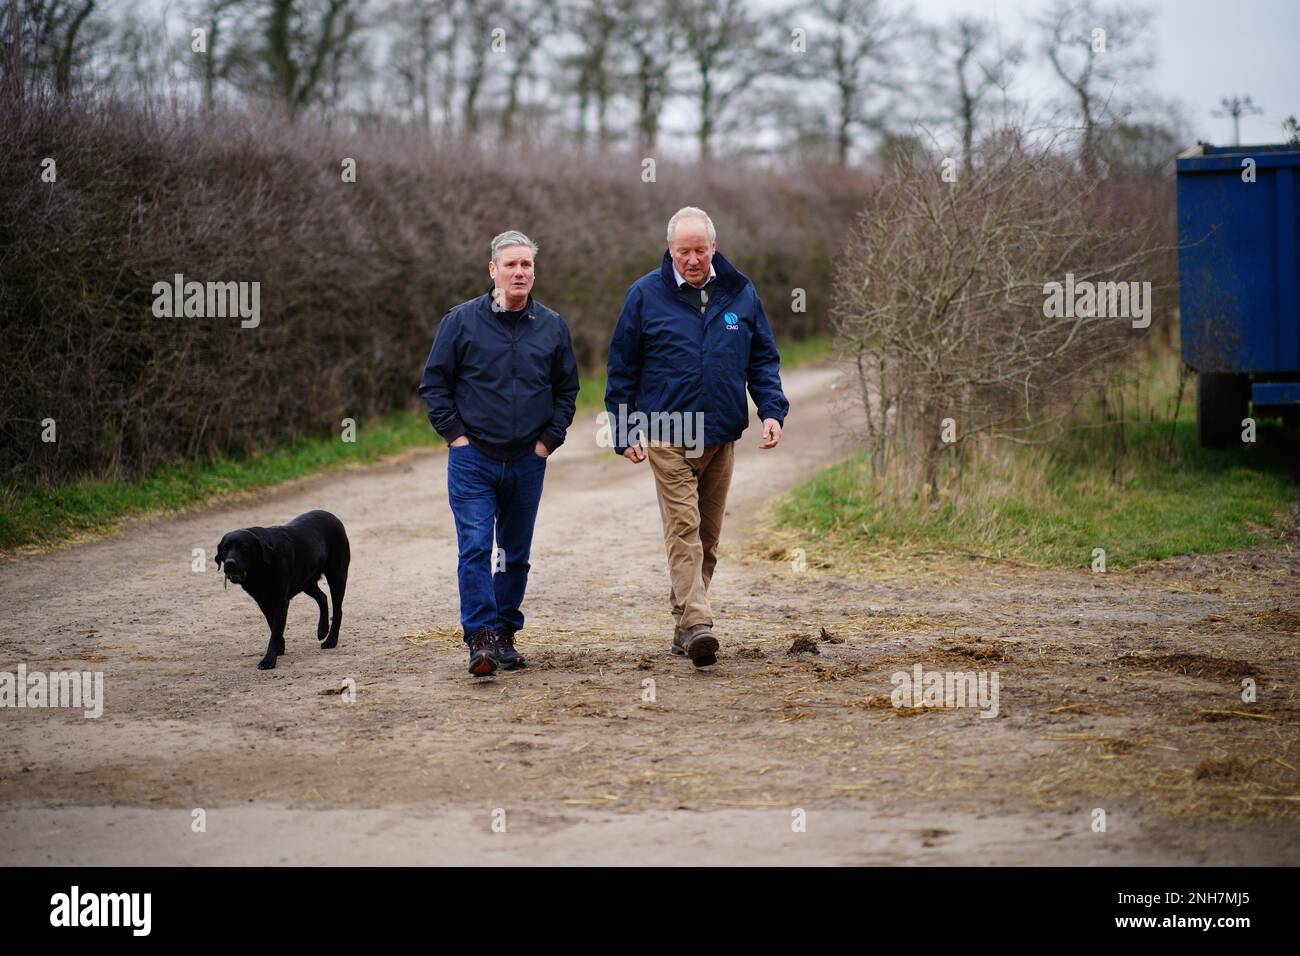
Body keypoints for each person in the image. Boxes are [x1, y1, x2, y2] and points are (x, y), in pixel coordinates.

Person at [605, 207, 789, 667]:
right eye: (683, 251)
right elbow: (622, 369)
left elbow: (761, 359)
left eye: (700, 250)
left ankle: (684, 626)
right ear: (670, 251)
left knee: (707, 537)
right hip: (669, 433)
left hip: (721, 433)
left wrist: (771, 410)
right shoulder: (645, 295)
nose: (693, 259)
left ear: (714, 248)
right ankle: (700, 622)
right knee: (683, 530)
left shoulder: (740, 292)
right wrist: (625, 428)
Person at [419, 230, 579, 676]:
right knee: (474, 547)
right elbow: (435, 384)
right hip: (474, 459)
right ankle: (480, 639)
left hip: (528, 460)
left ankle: (505, 634)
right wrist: (455, 436)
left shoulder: (552, 326)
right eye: (510, 264)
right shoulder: (461, 321)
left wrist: (549, 441)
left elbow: (567, 389)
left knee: (515, 552)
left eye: (526, 265)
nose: (519, 272)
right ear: (493, 270)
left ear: (534, 271)